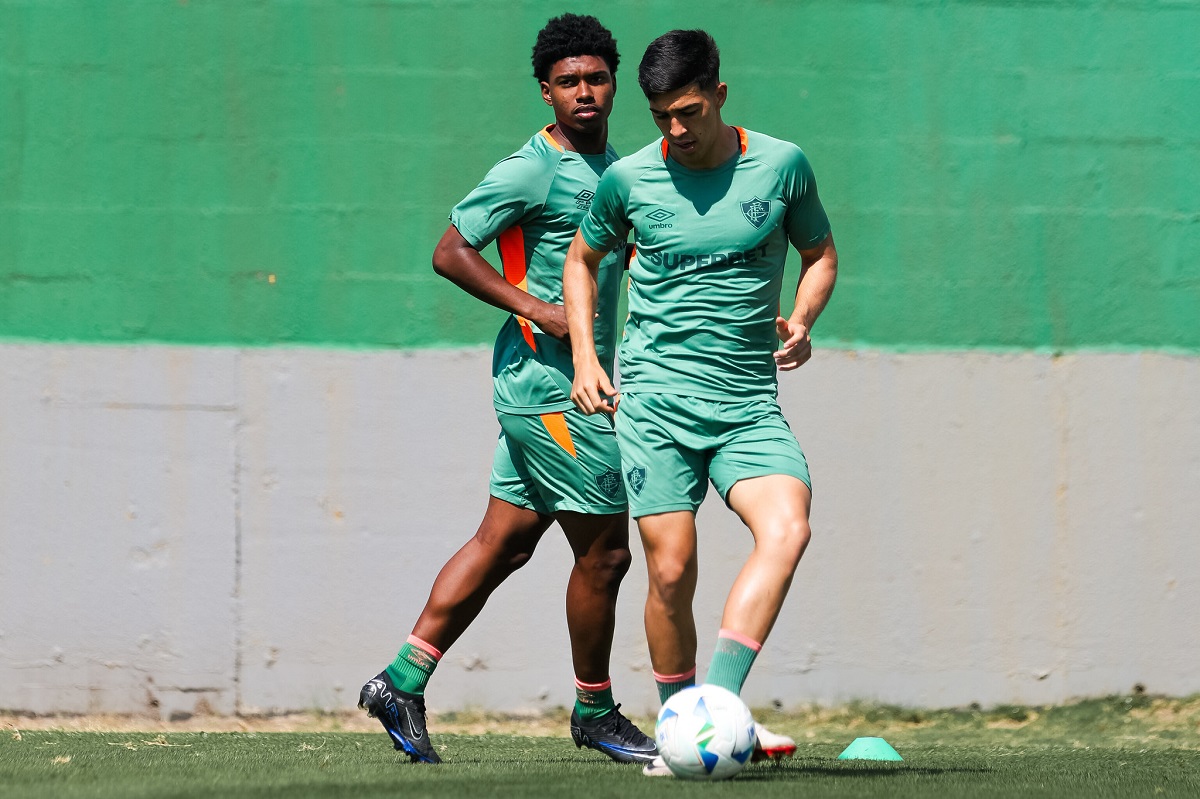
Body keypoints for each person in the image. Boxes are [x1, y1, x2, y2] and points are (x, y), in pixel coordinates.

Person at [358, 14, 655, 766]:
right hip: (550, 391)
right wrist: (535, 307)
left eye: (595, 78)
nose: (584, 92)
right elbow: (450, 249)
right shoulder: (534, 168)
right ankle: (594, 711)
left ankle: (400, 679)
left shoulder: (613, 168)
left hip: (569, 386)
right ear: (546, 92)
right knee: (608, 554)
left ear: (613, 82)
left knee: (505, 543)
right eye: (568, 83)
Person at [562, 29, 839, 777]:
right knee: (672, 570)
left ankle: (704, 716)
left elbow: (820, 255)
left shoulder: (782, 166)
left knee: (788, 528)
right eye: (660, 117)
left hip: (747, 403)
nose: (676, 131)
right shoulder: (628, 180)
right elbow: (581, 260)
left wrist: (804, 320)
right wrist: (588, 357)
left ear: (719, 94)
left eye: (688, 111)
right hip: (654, 402)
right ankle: (682, 722)